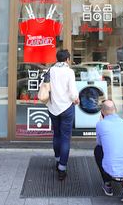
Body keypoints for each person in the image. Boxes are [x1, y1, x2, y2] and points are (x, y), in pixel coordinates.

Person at [94, 99, 123, 203]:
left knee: (98, 150)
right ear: (116, 110)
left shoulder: (100, 124)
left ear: (102, 112)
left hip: (112, 174)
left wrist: (101, 121)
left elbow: (99, 143)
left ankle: (107, 185)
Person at [46, 49, 79, 181]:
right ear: (67, 59)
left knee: (57, 134)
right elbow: (72, 92)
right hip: (66, 108)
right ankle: (62, 168)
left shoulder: (51, 70)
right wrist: (76, 99)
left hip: (53, 107)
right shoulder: (69, 72)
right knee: (65, 138)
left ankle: (57, 160)